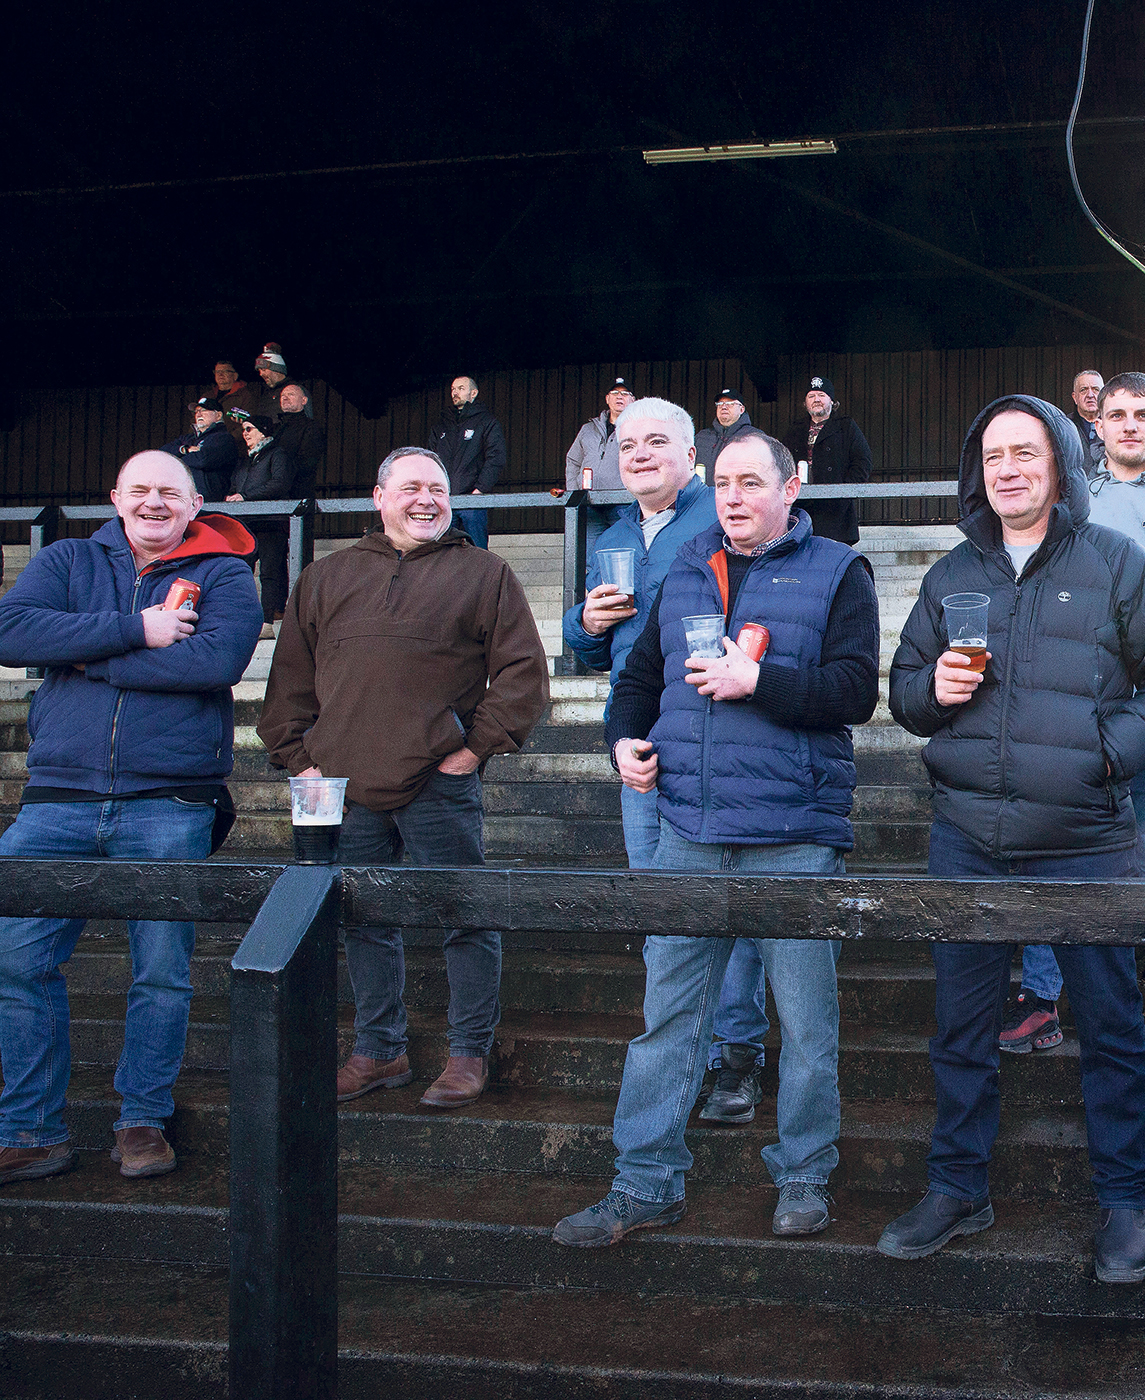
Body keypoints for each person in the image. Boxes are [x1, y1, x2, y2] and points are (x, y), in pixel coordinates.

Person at [882, 394, 1145, 1282]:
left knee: (1110, 1028)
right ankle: (957, 1186)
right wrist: (931, 695)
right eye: (993, 457)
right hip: (966, 837)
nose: (1009, 470)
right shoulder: (953, 575)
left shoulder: (1116, 564)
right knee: (959, 1030)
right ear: (977, 473)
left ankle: (1123, 1202)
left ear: (1060, 464)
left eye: (1026, 453)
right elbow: (903, 690)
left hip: (1087, 839)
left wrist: (1113, 753)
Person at [552, 429, 880, 1248]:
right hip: (688, 825)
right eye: (723, 482)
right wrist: (622, 741)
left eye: (751, 482)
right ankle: (644, 1181)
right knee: (667, 1017)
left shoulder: (839, 570)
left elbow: (852, 692)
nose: (733, 496)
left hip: (795, 834)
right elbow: (638, 683)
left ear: (791, 487)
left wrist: (757, 680)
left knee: (805, 1024)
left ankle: (804, 1176)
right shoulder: (690, 563)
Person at [260, 446, 549, 1111]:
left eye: (439, 489)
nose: (427, 499)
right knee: (363, 921)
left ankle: (469, 1051)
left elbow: (521, 675)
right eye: (412, 487)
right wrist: (300, 758)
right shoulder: (327, 576)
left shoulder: (484, 573)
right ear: (379, 496)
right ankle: (379, 1049)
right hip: (340, 786)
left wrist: (474, 749)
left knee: (465, 915)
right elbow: (291, 682)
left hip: (436, 780)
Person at [0, 452, 261, 1185]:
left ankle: (142, 1118)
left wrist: (88, 655)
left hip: (169, 802)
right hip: (55, 800)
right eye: (140, 490)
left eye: (169, 493)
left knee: (160, 972)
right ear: (115, 496)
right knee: (17, 961)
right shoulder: (66, 558)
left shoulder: (226, 574)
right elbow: (13, 633)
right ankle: (30, 1128)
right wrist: (135, 629)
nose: (154, 503)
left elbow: (215, 662)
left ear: (194, 502)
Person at [1002, 372, 1145, 1063]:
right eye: (1116, 414)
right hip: (1066, 708)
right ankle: (1042, 999)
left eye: (1143, 414)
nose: (1129, 424)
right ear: (1095, 425)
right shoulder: (1068, 506)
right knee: (1049, 845)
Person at [557, 397, 767, 1120]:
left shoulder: (720, 520)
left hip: (714, 738)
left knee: (722, 911)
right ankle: (684, 1055)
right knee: (662, 913)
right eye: (628, 443)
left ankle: (735, 1056)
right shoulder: (611, 533)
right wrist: (582, 623)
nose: (639, 453)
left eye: (657, 441)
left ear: (691, 456)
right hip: (636, 741)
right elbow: (589, 648)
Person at [225, 411, 294, 630]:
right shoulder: (246, 459)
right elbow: (236, 486)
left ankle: (266, 622)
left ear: (263, 431)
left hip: (270, 523)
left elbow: (280, 483)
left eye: (249, 428)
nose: (244, 433)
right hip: (247, 524)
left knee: (269, 573)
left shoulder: (278, 453)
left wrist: (245, 497)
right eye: (243, 429)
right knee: (242, 571)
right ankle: (242, 620)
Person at [427, 376, 507, 549]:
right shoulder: (441, 426)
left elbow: (496, 457)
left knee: (477, 551)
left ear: (474, 393)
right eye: (453, 389)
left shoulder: (486, 422)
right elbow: (429, 462)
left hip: (472, 499)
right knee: (443, 552)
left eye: (461, 388)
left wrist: (479, 490)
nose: (455, 392)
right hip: (445, 499)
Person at [799, 375, 874, 546]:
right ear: (805, 403)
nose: (816, 400)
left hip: (836, 510)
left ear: (832, 401)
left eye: (821, 395)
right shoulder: (795, 430)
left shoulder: (846, 426)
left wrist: (844, 492)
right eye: (811, 396)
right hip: (803, 508)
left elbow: (863, 461)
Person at [161, 398, 240, 503]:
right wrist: (185, 450)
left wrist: (174, 461)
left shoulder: (224, 438)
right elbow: (162, 453)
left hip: (211, 501)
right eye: (197, 411)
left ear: (218, 415)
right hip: (186, 498)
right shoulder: (188, 439)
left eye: (203, 410)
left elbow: (202, 460)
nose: (198, 414)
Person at [564, 377, 635, 491]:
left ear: (633, 400)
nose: (619, 396)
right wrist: (574, 491)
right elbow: (573, 461)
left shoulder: (637, 430)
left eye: (625, 393)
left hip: (620, 500)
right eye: (615, 393)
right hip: (586, 499)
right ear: (607, 398)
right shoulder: (587, 429)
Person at [695, 389, 753, 479]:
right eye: (720, 404)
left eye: (730, 404)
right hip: (702, 492)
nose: (724, 407)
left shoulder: (754, 437)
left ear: (742, 409)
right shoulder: (701, 437)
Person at [1068, 368, 1106, 463]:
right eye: (1083, 390)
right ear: (1075, 397)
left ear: (1104, 396)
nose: (1090, 395)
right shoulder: (1065, 426)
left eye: (1096, 389)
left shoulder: (1115, 425)